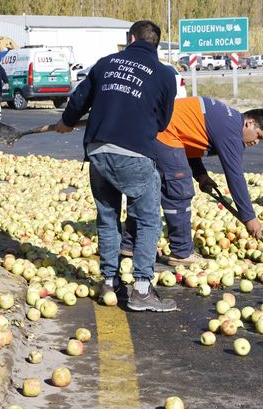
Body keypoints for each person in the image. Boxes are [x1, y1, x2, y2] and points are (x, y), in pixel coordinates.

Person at [55, 20, 178, 312]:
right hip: (135, 153)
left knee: (108, 217)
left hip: (98, 150)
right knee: (147, 220)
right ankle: (142, 290)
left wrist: (67, 121)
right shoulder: (164, 74)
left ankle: (109, 282)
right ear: (156, 44)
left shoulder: (105, 63)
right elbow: (163, 122)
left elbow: (79, 100)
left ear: (131, 38)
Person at [121, 97, 263, 265]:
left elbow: (187, 140)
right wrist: (249, 217)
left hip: (156, 130)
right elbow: (235, 176)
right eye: (258, 136)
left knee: (150, 191)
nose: (256, 142)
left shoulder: (227, 119)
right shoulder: (232, 132)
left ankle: (131, 244)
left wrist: (201, 175)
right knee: (179, 190)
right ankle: (181, 252)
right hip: (164, 134)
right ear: (249, 123)